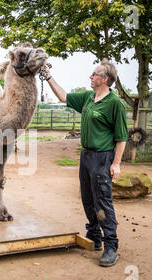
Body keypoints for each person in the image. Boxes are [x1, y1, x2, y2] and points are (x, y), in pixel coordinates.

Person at [41, 59, 128, 267]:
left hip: (103, 157)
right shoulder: (89, 97)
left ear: (104, 79)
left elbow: (121, 137)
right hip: (86, 156)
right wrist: (48, 76)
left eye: (94, 74)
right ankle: (94, 236)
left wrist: (116, 164)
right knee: (88, 198)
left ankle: (111, 246)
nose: (90, 76)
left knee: (102, 201)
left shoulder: (115, 104)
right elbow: (63, 97)